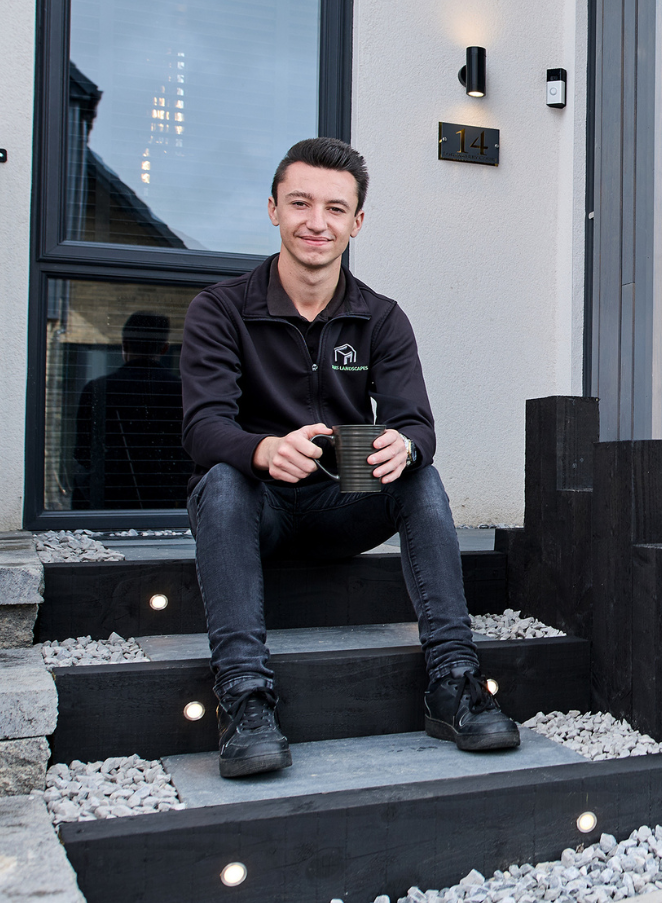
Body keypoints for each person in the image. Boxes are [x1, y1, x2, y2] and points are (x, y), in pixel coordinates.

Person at [180, 136, 518, 779]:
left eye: (335, 209)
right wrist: (262, 449)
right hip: (256, 508)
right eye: (300, 203)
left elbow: (416, 423)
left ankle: (454, 679)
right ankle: (244, 696)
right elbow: (203, 428)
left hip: (342, 505)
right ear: (273, 209)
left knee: (421, 477)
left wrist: (405, 445)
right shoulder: (220, 309)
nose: (317, 222)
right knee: (221, 481)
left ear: (356, 222)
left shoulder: (381, 318)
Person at [72, 311, 190, 510]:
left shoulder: (97, 390)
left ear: (124, 345)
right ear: (164, 348)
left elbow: (83, 454)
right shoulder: (182, 392)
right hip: (166, 505)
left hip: (107, 503)